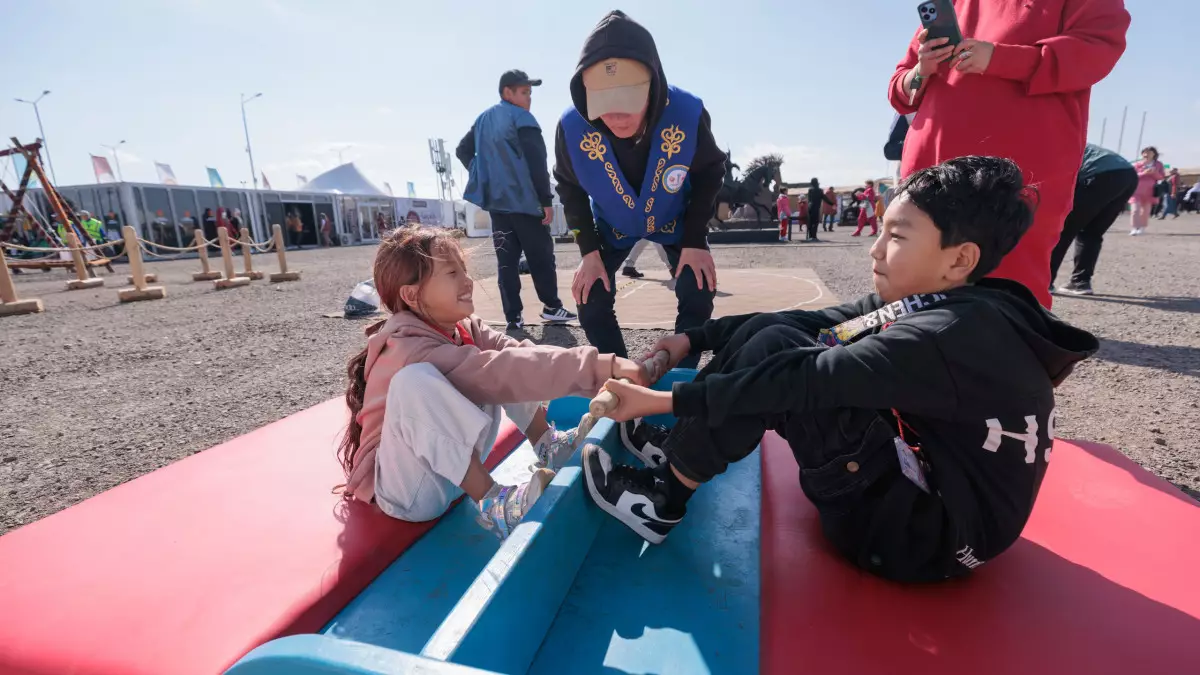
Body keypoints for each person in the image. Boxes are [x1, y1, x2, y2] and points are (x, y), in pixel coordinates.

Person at [580, 156, 1098, 583]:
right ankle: (677, 452)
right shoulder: (950, 303)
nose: (874, 248)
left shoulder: (947, 335)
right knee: (780, 336)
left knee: (785, 358)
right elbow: (813, 320)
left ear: (959, 258)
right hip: (939, 503)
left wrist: (667, 399)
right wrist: (692, 337)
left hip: (922, 544)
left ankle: (663, 498)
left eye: (896, 236)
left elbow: (807, 379)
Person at [338, 225, 649, 538]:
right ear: (411, 294)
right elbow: (493, 371)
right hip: (408, 493)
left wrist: (599, 371)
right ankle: (496, 506)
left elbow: (515, 359)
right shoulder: (406, 348)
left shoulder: (464, 328)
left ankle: (548, 445)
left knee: (509, 364)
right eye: (451, 273)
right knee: (417, 381)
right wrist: (598, 367)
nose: (467, 281)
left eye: (464, 270)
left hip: (453, 471)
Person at [888, 0, 1130, 307]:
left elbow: (1097, 49)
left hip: (1020, 169)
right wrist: (921, 70)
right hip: (931, 159)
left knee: (1010, 284)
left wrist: (1001, 58)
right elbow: (899, 89)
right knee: (916, 276)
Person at [554, 10, 724, 368]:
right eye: (603, 104)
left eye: (628, 100)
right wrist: (588, 251)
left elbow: (711, 170)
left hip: (675, 220)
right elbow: (568, 187)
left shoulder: (687, 113)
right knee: (590, 297)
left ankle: (678, 379)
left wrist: (695, 240)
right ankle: (621, 376)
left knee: (699, 288)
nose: (615, 117)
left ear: (654, 85)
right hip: (613, 226)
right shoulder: (571, 128)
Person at [458, 69, 576, 331]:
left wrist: (484, 174)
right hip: (526, 204)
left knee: (507, 262)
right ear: (507, 92)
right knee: (541, 258)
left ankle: (514, 317)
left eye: (530, 93)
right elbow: (537, 162)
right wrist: (546, 200)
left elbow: (462, 150)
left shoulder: (482, 120)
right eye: (524, 92)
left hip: (498, 206)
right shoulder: (524, 119)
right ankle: (551, 307)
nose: (529, 98)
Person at [1049, 144, 1137, 296]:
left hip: (1098, 173)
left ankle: (1044, 281)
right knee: (1092, 232)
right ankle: (1081, 282)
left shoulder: (1056, 144)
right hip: (1128, 174)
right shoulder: (1076, 141)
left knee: (1064, 229)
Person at [1129, 146, 1165, 236]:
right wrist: (1143, 173)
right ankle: (1134, 228)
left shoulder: (1158, 165)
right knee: (1135, 210)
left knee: (1145, 211)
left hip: (1150, 191)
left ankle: (1142, 227)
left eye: (1149, 152)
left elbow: (1161, 177)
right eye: (1144, 152)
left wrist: (1154, 173)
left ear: (1154, 154)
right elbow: (1133, 176)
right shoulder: (1137, 164)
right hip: (1136, 190)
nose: (1146, 154)